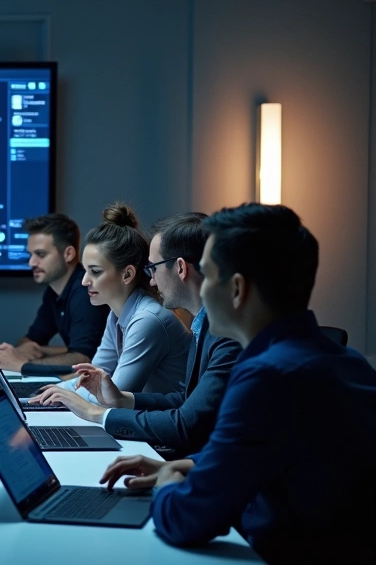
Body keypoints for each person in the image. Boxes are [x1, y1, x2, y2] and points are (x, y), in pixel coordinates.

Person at [100, 203, 376, 564]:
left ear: (235, 290)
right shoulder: (347, 361)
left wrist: (168, 481)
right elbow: (265, 449)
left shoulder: (267, 376)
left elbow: (186, 519)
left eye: (209, 273)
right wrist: (196, 465)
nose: (200, 283)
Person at [35, 213, 240, 458]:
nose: (151, 281)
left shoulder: (224, 335)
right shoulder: (203, 325)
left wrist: (96, 413)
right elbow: (184, 400)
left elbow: (186, 424)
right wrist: (123, 400)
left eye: (153, 268)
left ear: (181, 268)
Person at [34, 203, 190, 400]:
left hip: (168, 427)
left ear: (127, 274)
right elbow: (93, 377)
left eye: (95, 272)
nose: (84, 281)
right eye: (85, 271)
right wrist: (47, 390)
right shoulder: (117, 316)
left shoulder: (148, 320)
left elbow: (112, 395)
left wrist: (63, 394)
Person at [0, 213, 110, 372]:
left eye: (40, 254)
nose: (31, 263)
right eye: (30, 254)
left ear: (68, 254)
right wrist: (26, 350)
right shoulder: (54, 291)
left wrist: (21, 365)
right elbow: (31, 340)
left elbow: (83, 358)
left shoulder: (85, 291)